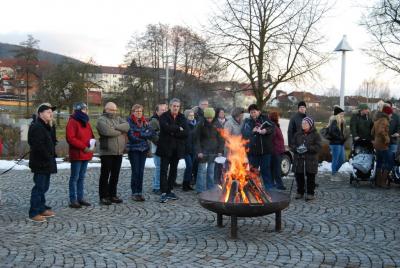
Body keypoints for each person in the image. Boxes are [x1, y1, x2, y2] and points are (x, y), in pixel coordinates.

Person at [28, 103, 57, 222]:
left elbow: (50, 143)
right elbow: (38, 146)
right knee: (39, 187)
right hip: (40, 162)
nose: (51, 113)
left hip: (47, 162)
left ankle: (41, 207)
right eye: (48, 112)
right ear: (40, 114)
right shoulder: (37, 127)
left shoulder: (46, 126)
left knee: (44, 187)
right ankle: (33, 212)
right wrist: (48, 156)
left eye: (51, 112)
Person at [96, 102, 129, 205]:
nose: (114, 112)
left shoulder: (118, 118)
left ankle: (112, 195)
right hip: (107, 152)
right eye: (111, 110)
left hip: (118, 151)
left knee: (115, 175)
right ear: (106, 109)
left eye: (115, 110)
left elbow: (127, 126)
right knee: (105, 175)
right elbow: (107, 132)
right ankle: (103, 196)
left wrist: (114, 127)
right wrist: (120, 131)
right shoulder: (101, 120)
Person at [156, 98, 188, 203]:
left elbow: (186, 132)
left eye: (178, 106)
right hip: (165, 148)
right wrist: (178, 128)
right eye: (174, 106)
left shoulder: (182, 117)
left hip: (177, 149)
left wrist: (173, 130)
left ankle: (170, 190)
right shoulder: (164, 116)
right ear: (170, 106)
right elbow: (165, 128)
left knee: (173, 171)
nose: (176, 108)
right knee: (163, 170)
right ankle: (164, 192)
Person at [66, 102, 94, 208]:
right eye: (83, 109)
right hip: (77, 153)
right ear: (78, 110)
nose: (86, 111)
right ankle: (73, 199)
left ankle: (80, 198)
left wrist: (93, 143)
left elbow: (91, 134)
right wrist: (83, 147)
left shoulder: (86, 121)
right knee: (74, 177)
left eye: (86, 109)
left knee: (81, 177)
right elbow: (71, 138)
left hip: (85, 153)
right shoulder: (72, 121)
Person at [242, 104, 275, 189]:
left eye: (254, 112)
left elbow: (272, 129)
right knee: (253, 171)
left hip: (265, 151)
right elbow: (244, 134)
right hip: (253, 152)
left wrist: (265, 130)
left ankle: (269, 190)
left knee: (265, 171)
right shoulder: (247, 122)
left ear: (259, 112)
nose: (253, 114)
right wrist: (252, 131)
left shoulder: (265, 119)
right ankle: (254, 189)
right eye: (251, 112)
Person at [127, 104, 155, 201]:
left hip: (143, 150)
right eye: (137, 111)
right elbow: (132, 136)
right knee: (135, 171)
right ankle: (134, 192)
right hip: (134, 150)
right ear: (133, 112)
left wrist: (140, 134)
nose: (139, 113)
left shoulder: (145, 121)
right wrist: (144, 135)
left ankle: (139, 192)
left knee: (141, 172)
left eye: (140, 111)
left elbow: (151, 133)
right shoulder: (129, 121)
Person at [291, 116, 322, 201]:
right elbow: (292, 145)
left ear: (310, 124)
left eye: (305, 123)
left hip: (310, 159)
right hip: (299, 159)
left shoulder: (316, 134)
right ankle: (300, 192)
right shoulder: (297, 134)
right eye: (302, 123)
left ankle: (310, 193)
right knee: (299, 176)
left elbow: (318, 147)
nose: (303, 124)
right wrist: (296, 148)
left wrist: (307, 148)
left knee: (310, 177)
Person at [195, 108, 224, 193]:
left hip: (214, 151)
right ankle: (200, 189)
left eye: (210, 118)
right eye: (207, 118)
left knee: (211, 171)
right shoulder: (201, 124)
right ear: (205, 117)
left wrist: (220, 150)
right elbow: (196, 139)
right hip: (203, 151)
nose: (209, 120)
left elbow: (221, 139)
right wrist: (199, 151)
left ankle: (210, 189)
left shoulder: (217, 124)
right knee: (202, 171)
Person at [149, 103, 167, 195]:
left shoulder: (165, 119)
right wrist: (161, 142)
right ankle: (156, 187)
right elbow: (152, 136)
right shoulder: (154, 121)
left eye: (165, 109)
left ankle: (161, 184)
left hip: (165, 148)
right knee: (158, 167)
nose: (164, 111)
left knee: (163, 168)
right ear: (157, 111)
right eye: (162, 110)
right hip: (157, 148)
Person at [372, 105, 392, 187]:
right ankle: (383, 182)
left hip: (377, 144)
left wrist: (376, 138)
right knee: (389, 163)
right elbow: (381, 131)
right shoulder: (384, 120)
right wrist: (386, 138)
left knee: (379, 163)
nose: (391, 115)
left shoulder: (377, 119)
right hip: (383, 145)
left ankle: (378, 182)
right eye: (390, 113)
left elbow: (372, 132)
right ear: (387, 113)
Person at [327, 106, 347, 177]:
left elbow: (342, 133)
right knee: (335, 159)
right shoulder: (334, 122)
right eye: (341, 114)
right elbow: (332, 132)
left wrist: (343, 137)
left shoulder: (341, 122)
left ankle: (334, 171)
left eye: (343, 114)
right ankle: (334, 174)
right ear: (338, 115)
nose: (343, 115)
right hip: (335, 143)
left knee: (342, 159)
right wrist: (340, 137)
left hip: (340, 143)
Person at [269, 111, 286, 190]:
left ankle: (272, 184)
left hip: (276, 150)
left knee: (273, 168)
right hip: (276, 151)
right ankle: (279, 185)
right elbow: (272, 138)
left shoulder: (275, 125)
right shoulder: (273, 126)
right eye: (278, 116)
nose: (278, 118)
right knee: (276, 169)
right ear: (275, 117)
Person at [183, 109, 197, 191]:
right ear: (186, 116)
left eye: (193, 115)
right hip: (186, 149)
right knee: (189, 166)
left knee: (191, 167)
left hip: (193, 149)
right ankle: (185, 184)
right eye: (190, 115)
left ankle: (188, 183)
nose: (192, 117)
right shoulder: (185, 125)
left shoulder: (195, 124)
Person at [212, 107, 227, 184]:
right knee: (217, 165)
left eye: (223, 112)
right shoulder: (214, 123)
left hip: (227, 146)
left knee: (225, 164)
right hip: (217, 146)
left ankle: (224, 180)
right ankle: (216, 181)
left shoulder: (228, 122)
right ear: (217, 113)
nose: (222, 114)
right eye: (220, 112)